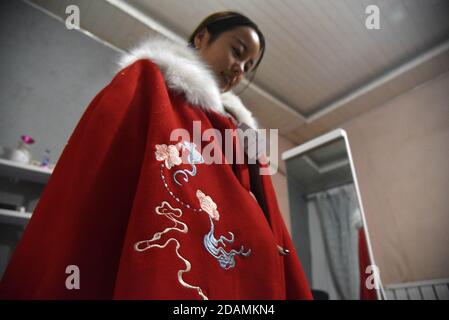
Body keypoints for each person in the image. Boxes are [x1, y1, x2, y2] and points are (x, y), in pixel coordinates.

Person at [0, 11, 312, 300]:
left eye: (248, 67)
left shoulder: (242, 134)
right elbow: (100, 170)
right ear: (202, 37)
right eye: (238, 52)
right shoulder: (151, 83)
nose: (239, 70)